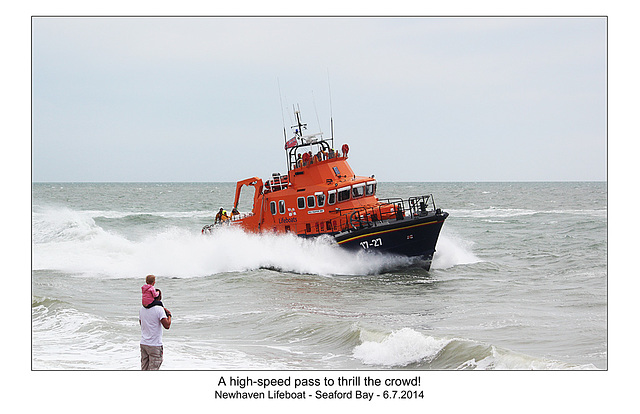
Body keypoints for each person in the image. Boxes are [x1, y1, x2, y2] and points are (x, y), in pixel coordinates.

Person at [139, 288, 172, 370]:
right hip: (154, 345)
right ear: (159, 298)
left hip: (144, 343)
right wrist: (169, 315)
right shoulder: (159, 309)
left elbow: (141, 323)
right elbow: (167, 325)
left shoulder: (142, 309)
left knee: (144, 369)